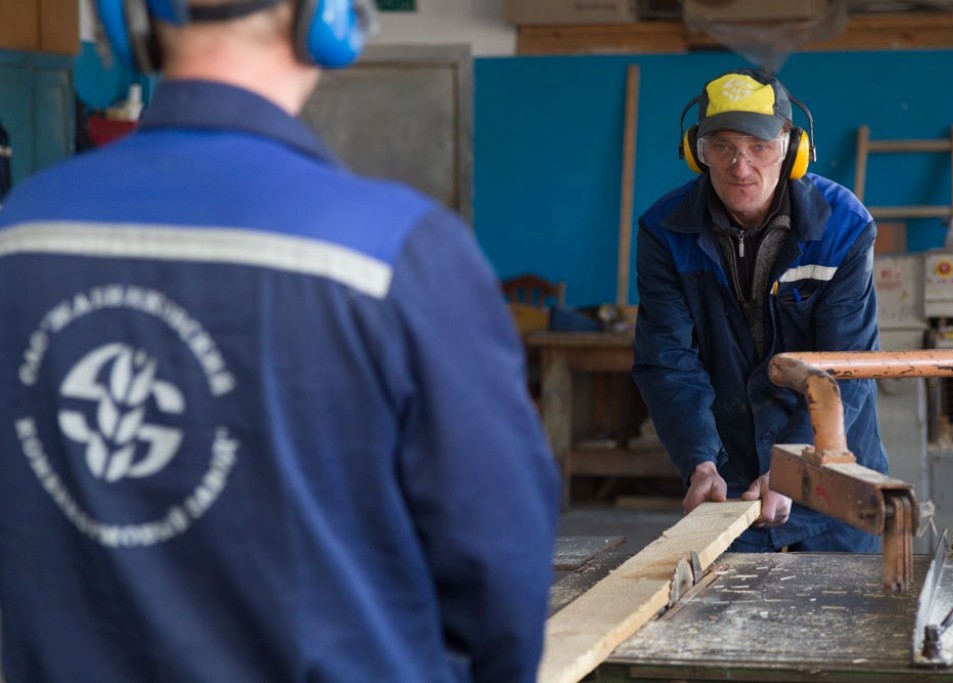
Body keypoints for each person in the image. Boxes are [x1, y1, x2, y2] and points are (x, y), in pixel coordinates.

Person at [0, 1, 560, 681]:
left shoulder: (17, 234)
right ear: (331, 19)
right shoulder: (395, 253)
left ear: (125, 21)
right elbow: (502, 559)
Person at [632, 68, 887, 553]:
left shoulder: (843, 228)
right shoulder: (665, 232)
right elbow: (667, 360)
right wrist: (699, 461)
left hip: (832, 482)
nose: (739, 166)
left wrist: (793, 464)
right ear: (695, 153)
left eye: (758, 146)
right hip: (730, 492)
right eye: (721, 147)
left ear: (792, 150)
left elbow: (844, 366)